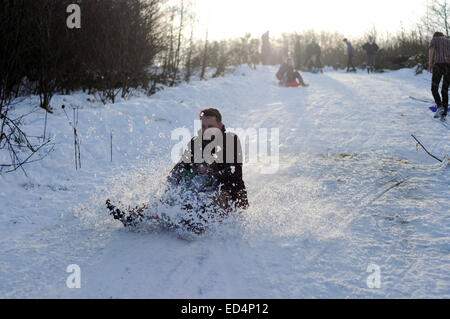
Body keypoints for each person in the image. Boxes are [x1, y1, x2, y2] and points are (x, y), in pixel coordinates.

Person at [106, 108, 249, 234]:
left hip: (228, 193)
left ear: (220, 125)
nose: (206, 130)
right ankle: (136, 217)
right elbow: (182, 164)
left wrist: (212, 171)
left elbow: (234, 174)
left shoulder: (231, 140)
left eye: (210, 126)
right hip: (202, 190)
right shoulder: (195, 142)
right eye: (203, 126)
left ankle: (197, 223)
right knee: (174, 194)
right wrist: (172, 180)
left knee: (218, 194)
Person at [429, 31, 450, 120]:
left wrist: (430, 63)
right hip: (448, 66)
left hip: (438, 65)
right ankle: (443, 113)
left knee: (434, 88)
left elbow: (431, 50)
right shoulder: (448, 41)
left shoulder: (434, 40)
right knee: (444, 90)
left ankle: (439, 106)